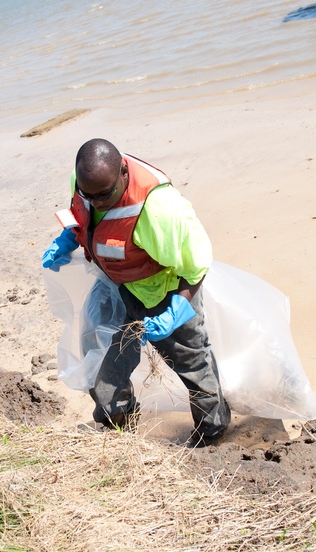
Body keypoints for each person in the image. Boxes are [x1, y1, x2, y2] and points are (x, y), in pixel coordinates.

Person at [42, 138, 232, 447]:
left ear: (124, 174)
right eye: (88, 195)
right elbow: (85, 216)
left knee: (191, 363)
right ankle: (120, 425)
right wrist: (69, 237)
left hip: (165, 292)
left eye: (105, 195)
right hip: (118, 287)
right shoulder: (88, 184)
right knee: (100, 353)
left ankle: (213, 433)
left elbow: (196, 267)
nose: (97, 203)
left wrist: (178, 310)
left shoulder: (159, 210)